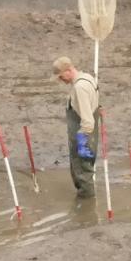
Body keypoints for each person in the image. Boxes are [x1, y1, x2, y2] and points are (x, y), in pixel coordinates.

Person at [53, 56, 99, 199]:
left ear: (68, 70)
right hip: (90, 133)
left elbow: (87, 122)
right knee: (84, 170)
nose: (61, 80)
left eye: (61, 77)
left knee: (83, 173)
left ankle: (86, 209)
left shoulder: (79, 88)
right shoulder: (88, 78)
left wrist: (81, 141)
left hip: (84, 135)